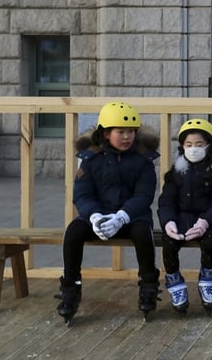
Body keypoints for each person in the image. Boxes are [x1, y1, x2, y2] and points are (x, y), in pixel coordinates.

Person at [55, 101, 161, 324]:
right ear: (105, 133)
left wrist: (122, 216)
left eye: (131, 132)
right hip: (99, 218)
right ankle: (70, 289)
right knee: (73, 231)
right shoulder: (90, 160)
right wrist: (94, 216)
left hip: (131, 218)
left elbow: (144, 196)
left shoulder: (144, 160)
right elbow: (82, 194)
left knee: (144, 233)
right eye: (120, 132)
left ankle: (148, 286)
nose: (126, 137)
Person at [158, 118, 212, 315]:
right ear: (182, 146)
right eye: (189, 145)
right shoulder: (176, 172)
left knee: (209, 242)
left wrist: (205, 221)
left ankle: (207, 280)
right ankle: (175, 282)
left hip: (209, 221)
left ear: (209, 146)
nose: (194, 149)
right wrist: (168, 222)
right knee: (169, 243)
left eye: (199, 145)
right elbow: (166, 201)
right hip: (181, 219)